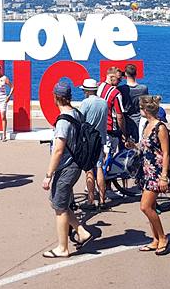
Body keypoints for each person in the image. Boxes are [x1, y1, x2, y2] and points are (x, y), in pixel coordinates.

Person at [41, 82, 93, 258]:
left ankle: (62, 248)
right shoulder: (76, 113)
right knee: (58, 202)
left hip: (66, 167)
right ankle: (81, 231)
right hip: (76, 164)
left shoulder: (63, 120)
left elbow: (58, 150)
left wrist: (48, 175)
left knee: (60, 209)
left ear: (55, 97)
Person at [136, 95, 170, 255]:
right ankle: (155, 239)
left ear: (145, 109)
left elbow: (165, 153)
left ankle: (163, 237)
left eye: (140, 108)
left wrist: (164, 176)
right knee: (152, 207)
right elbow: (145, 148)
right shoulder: (147, 125)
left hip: (156, 172)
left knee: (145, 206)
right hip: (146, 170)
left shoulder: (160, 128)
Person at [77, 78, 110, 211]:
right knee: (100, 168)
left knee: (89, 170)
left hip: (88, 140)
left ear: (86, 90)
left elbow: (80, 120)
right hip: (100, 138)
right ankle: (102, 199)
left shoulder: (85, 103)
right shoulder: (104, 103)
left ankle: (91, 199)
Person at [99, 66, 128, 148]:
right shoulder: (115, 93)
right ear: (111, 77)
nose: (120, 81)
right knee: (109, 156)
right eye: (118, 79)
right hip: (110, 129)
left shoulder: (97, 87)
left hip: (97, 127)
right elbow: (120, 116)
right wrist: (124, 132)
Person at [121, 63, 148, 143]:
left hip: (125, 120)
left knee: (124, 146)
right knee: (136, 146)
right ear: (136, 74)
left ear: (125, 74)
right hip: (138, 119)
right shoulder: (143, 88)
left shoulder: (121, 89)